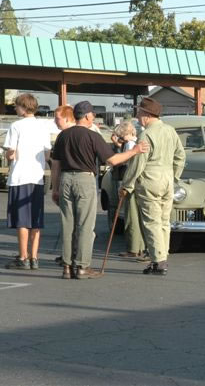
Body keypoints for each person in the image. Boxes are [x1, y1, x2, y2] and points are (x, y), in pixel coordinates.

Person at [51, 101, 149, 279]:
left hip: (65, 179)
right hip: (84, 179)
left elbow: (55, 164)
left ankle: (66, 266)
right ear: (87, 116)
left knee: (67, 224)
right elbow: (112, 160)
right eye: (93, 115)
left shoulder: (63, 135)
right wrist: (134, 151)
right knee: (85, 225)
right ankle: (82, 266)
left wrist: (55, 188)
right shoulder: (92, 136)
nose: (94, 117)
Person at [119, 97, 186, 276]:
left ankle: (158, 261)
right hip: (167, 179)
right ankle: (162, 256)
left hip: (150, 179)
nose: (137, 116)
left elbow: (138, 163)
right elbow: (180, 156)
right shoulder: (170, 130)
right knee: (164, 221)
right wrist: (174, 175)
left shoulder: (146, 134)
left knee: (152, 222)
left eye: (139, 112)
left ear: (147, 115)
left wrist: (127, 185)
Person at [3, 93, 52, 270]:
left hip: (20, 177)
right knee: (35, 219)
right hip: (37, 177)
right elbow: (47, 154)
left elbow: (11, 153)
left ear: (23, 107)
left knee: (22, 220)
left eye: (16, 106)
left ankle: (23, 257)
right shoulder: (43, 126)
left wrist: (9, 155)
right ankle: (34, 257)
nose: (15, 108)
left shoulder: (16, 125)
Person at [112, 121, 145, 258]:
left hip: (130, 182)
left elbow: (128, 161)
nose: (122, 138)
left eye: (123, 135)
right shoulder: (136, 142)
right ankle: (140, 247)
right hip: (138, 183)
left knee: (131, 216)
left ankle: (133, 248)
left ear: (129, 133)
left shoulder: (130, 145)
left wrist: (125, 185)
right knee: (138, 216)